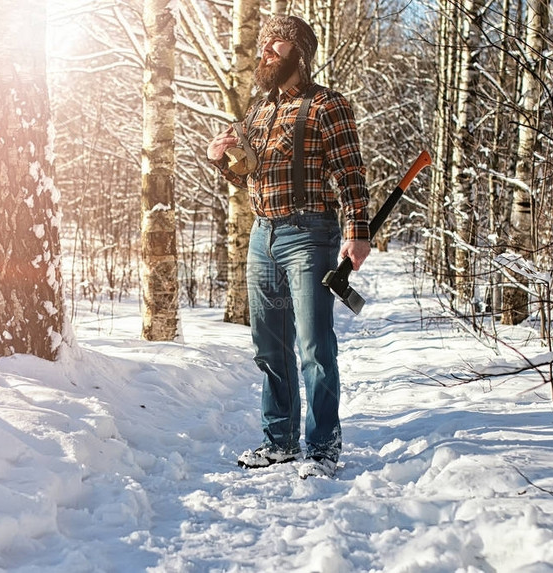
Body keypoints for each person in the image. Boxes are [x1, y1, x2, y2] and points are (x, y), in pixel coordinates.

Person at [206, 15, 371, 479]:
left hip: (310, 234)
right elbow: (248, 175)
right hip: (263, 235)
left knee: (314, 345)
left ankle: (322, 449)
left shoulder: (327, 105)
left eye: (276, 45)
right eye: (263, 45)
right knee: (268, 344)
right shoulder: (258, 111)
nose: (266, 53)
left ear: (299, 52)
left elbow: (350, 172)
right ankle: (278, 442)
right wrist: (225, 160)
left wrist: (358, 231)